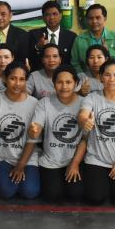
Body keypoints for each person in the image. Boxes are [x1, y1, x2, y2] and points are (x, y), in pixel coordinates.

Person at [70, 59, 115, 206]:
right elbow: (83, 115)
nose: (111, 79)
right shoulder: (92, 97)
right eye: (107, 75)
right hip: (97, 159)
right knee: (95, 198)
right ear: (101, 77)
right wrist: (85, 121)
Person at [0, 63, 41, 200]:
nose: (17, 83)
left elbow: (33, 139)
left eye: (22, 79)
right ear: (4, 79)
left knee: (29, 192)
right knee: (7, 191)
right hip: (1, 156)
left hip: (28, 157)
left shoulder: (35, 104)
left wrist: (21, 165)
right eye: (13, 78)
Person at [30, 66, 86, 203]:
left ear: (76, 83)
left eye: (68, 82)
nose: (64, 86)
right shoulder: (44, 102)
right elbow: (37, 126)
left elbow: (85, 139)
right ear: (54, 84)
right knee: (53, 195)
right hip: (51, 160)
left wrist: (75, 163)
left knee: (75, 194)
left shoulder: (84, 103)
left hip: (75, 159)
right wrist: (34, 130)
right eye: (60, 82)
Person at [70, 4, 115, 74]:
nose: (94, 21)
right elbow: (74, 62)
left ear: (105, 18)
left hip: (110, 78)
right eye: (91, 18)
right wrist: (82, 76)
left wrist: (109, 51)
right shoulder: (79, 39)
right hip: (87, 78)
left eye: (98, 18)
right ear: (87, 20)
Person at [28, 1, 76, 69]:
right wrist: (37, 47)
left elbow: (73, 61)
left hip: (63, 73)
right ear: (43, 17)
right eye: (47, 14)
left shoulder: (71, 37)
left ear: (60, 16)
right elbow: (29, 58)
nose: (51, 17)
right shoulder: (33, 35)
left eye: (54, 14)